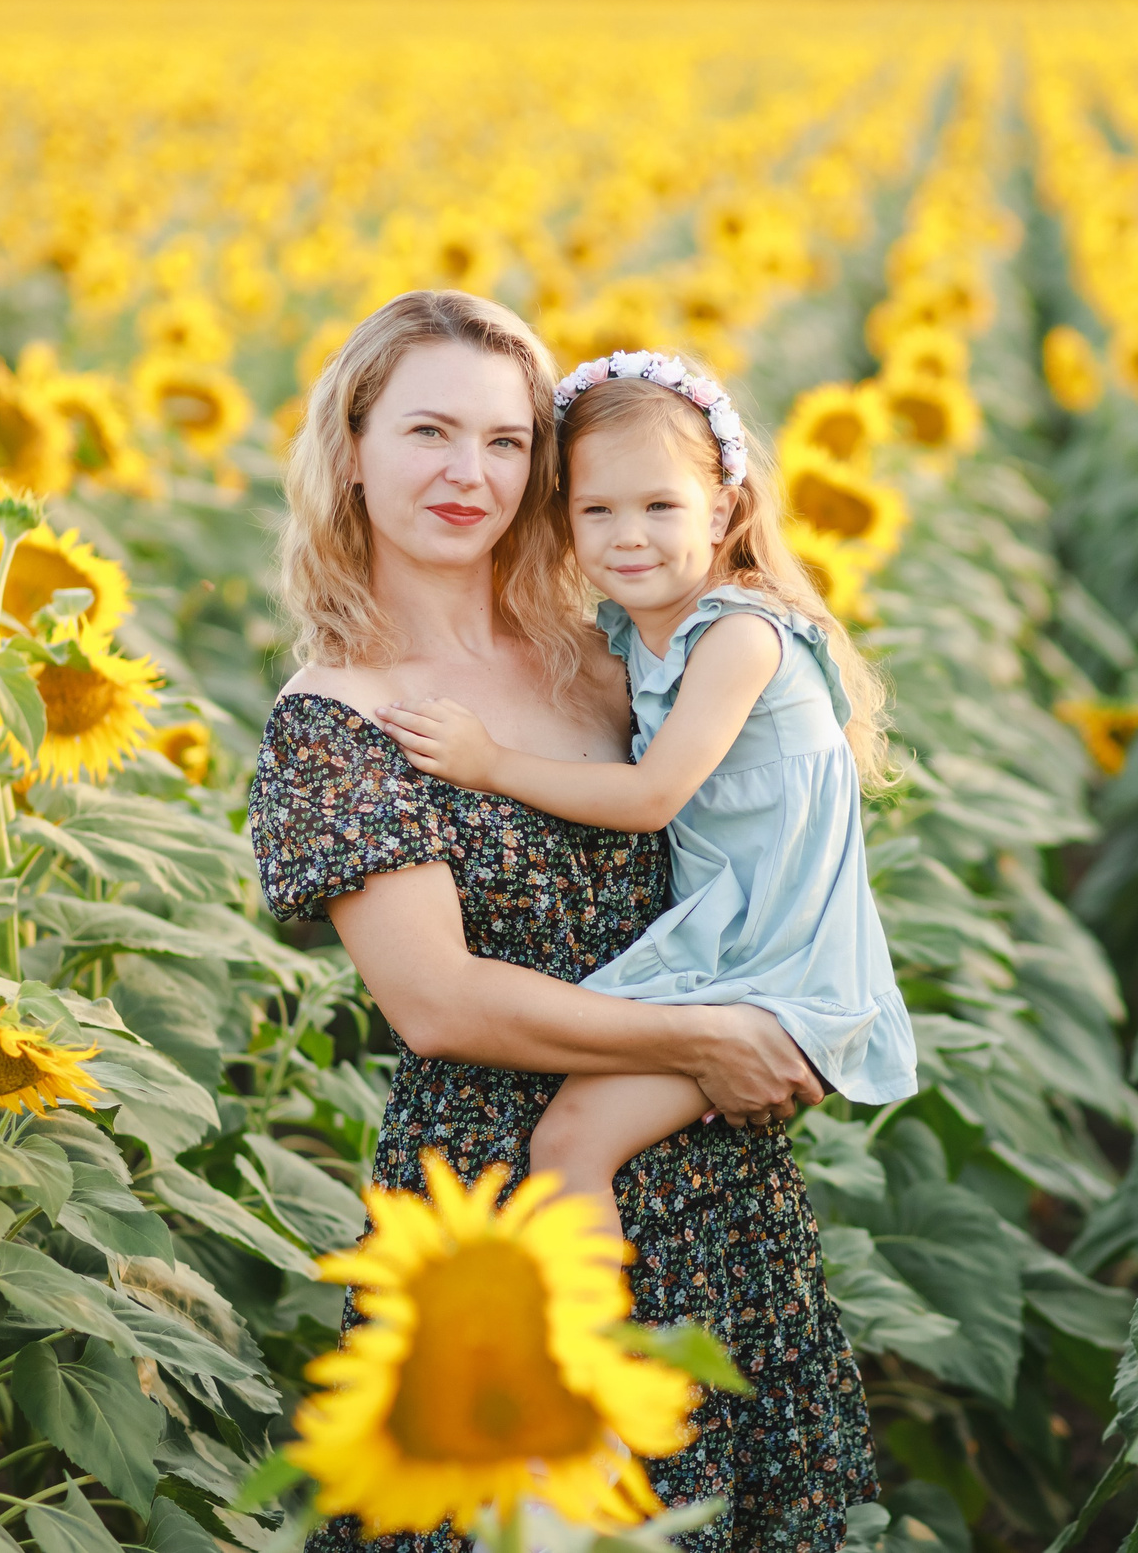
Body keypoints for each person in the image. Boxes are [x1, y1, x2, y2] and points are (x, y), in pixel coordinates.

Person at [246, 291, 875, 1553]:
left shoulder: (604, 660)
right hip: (504, 1217)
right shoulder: (339, 721)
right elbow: (441, 1004)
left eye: (505, 441)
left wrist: (787, 1007)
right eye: (428, 433)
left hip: (712, 1191)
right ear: (353, 449)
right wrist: (705, 1043)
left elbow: (760, 834)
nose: (468, 474)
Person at [373, 349, 918, 1237]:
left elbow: (652, 796)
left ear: (725, 508)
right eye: (598, 510)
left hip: (770, 964)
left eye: (661, 506)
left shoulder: (739, 636)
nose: (629, 535)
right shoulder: (629, 634)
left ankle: (593, 1352)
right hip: (729, 943)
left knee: (572, 1142)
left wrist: (488, 763)